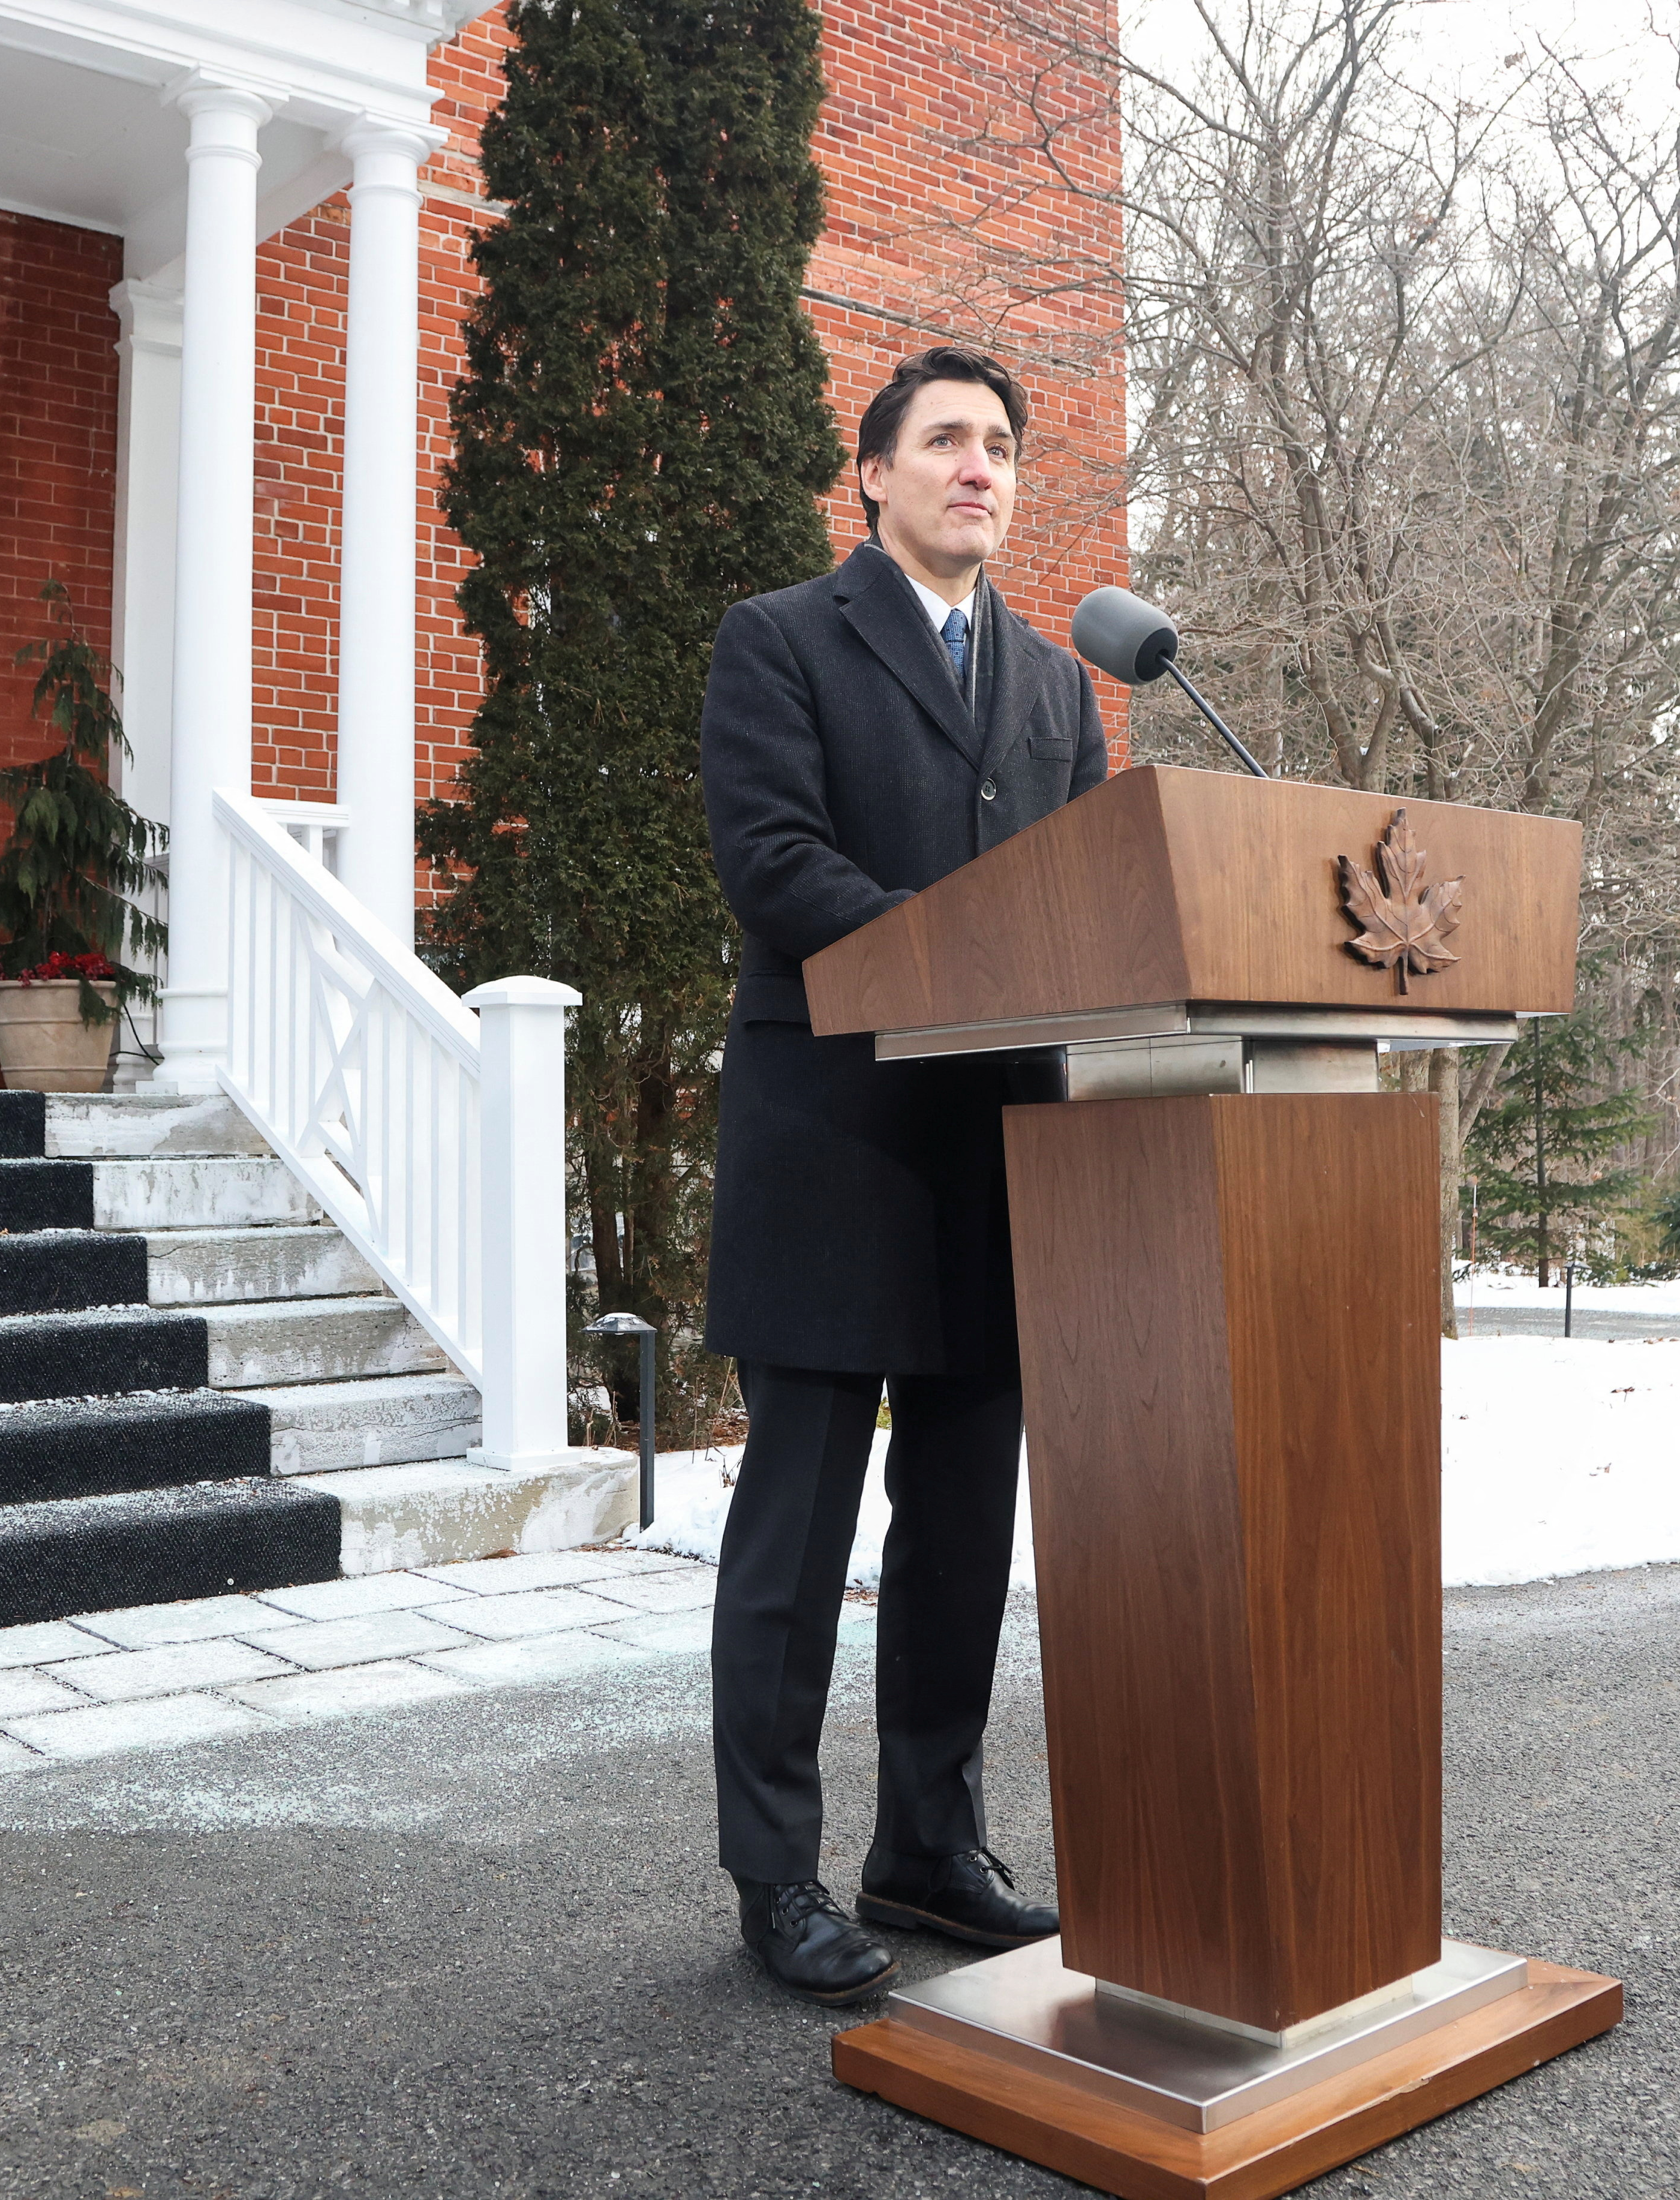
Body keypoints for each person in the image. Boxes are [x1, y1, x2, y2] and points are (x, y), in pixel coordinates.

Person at [696, 346, 1107, 2003]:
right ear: (869, 476)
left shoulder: (1059, 684)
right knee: (792, 1538)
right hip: (831, 1128)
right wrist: (973, 967)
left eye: (999, 445)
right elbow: (775, 859)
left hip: (992, 1154)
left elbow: (1089, 900)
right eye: (943, 439)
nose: (976, 466)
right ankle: (775, 1874)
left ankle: (926, 1841)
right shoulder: (779, 640)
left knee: (959, 1527)